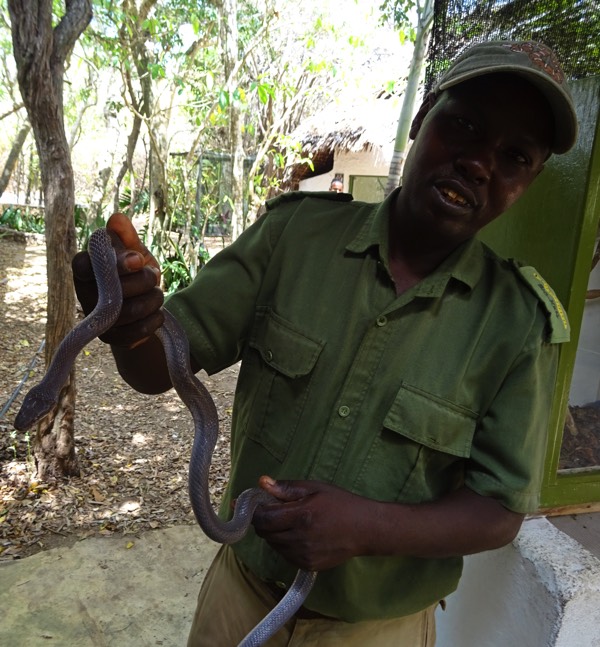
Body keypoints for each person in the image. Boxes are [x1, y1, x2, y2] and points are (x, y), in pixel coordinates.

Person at [72, 40, 578, 646]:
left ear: (528, 182)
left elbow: (499, 512)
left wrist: (369, 527)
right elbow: (158, 368)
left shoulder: (517, 325)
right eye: (464, 125)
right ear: (422, 120)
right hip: (239, 600)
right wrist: (125, 320)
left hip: (377, 630)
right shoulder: (294, 235)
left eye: (514, 156)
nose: (479, 163)